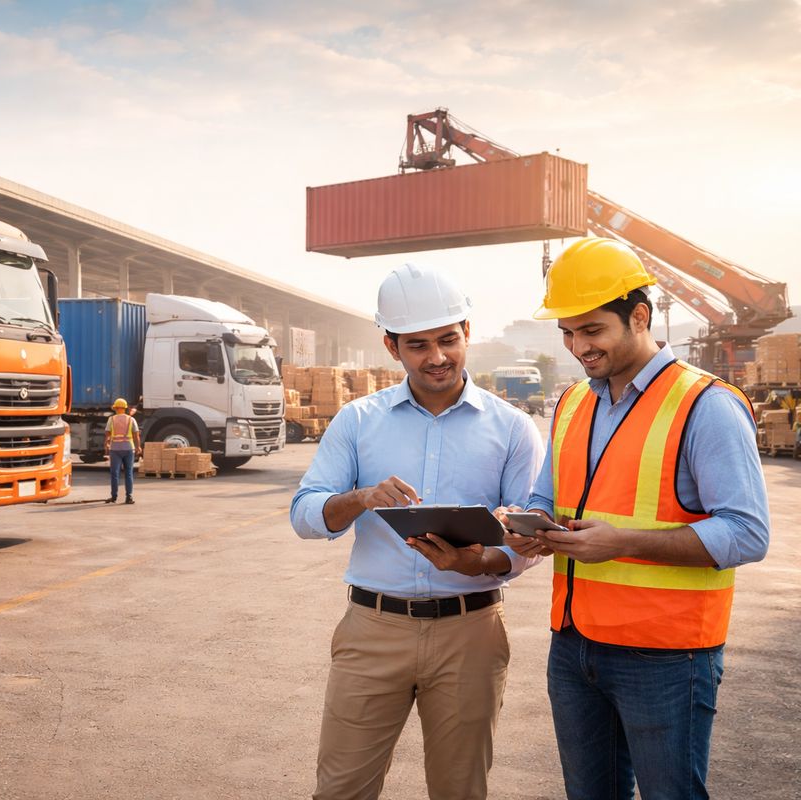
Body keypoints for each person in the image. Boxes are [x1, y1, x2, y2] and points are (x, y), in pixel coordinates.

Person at [504, 237, 769, 799]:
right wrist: (532, 524)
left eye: (592, 330)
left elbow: (746, 533)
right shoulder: (573, 402)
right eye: (567, 333)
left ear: (640, 317)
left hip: (667, 655)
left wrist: (622, 542)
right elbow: (546, 496)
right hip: (574, 643)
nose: (579, 347)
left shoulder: (706, 405)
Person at [291, 263, 543, 800]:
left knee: (460, 790)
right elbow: (305, 514)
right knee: (340, 791)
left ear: (467, 332)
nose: (437, 357)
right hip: (373, 630)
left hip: (470, 633)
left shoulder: (512, 428)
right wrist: (360, 498)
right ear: (392, 346)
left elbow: (527, 540)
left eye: (448, 339)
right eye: (418, 345)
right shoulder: (358, 420)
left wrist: (479, 561)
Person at [104, 397, 141, 504]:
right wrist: (138, 447)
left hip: (115, 449)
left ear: (116, 408)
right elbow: (136, 435)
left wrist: (106, 444)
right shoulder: (131, 419)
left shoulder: (111, 419)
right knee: (128, 473)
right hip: (129, 449)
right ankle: (129, 497)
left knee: (115, 473)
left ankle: (114, 497)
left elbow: (107, 434)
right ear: (125, 408)